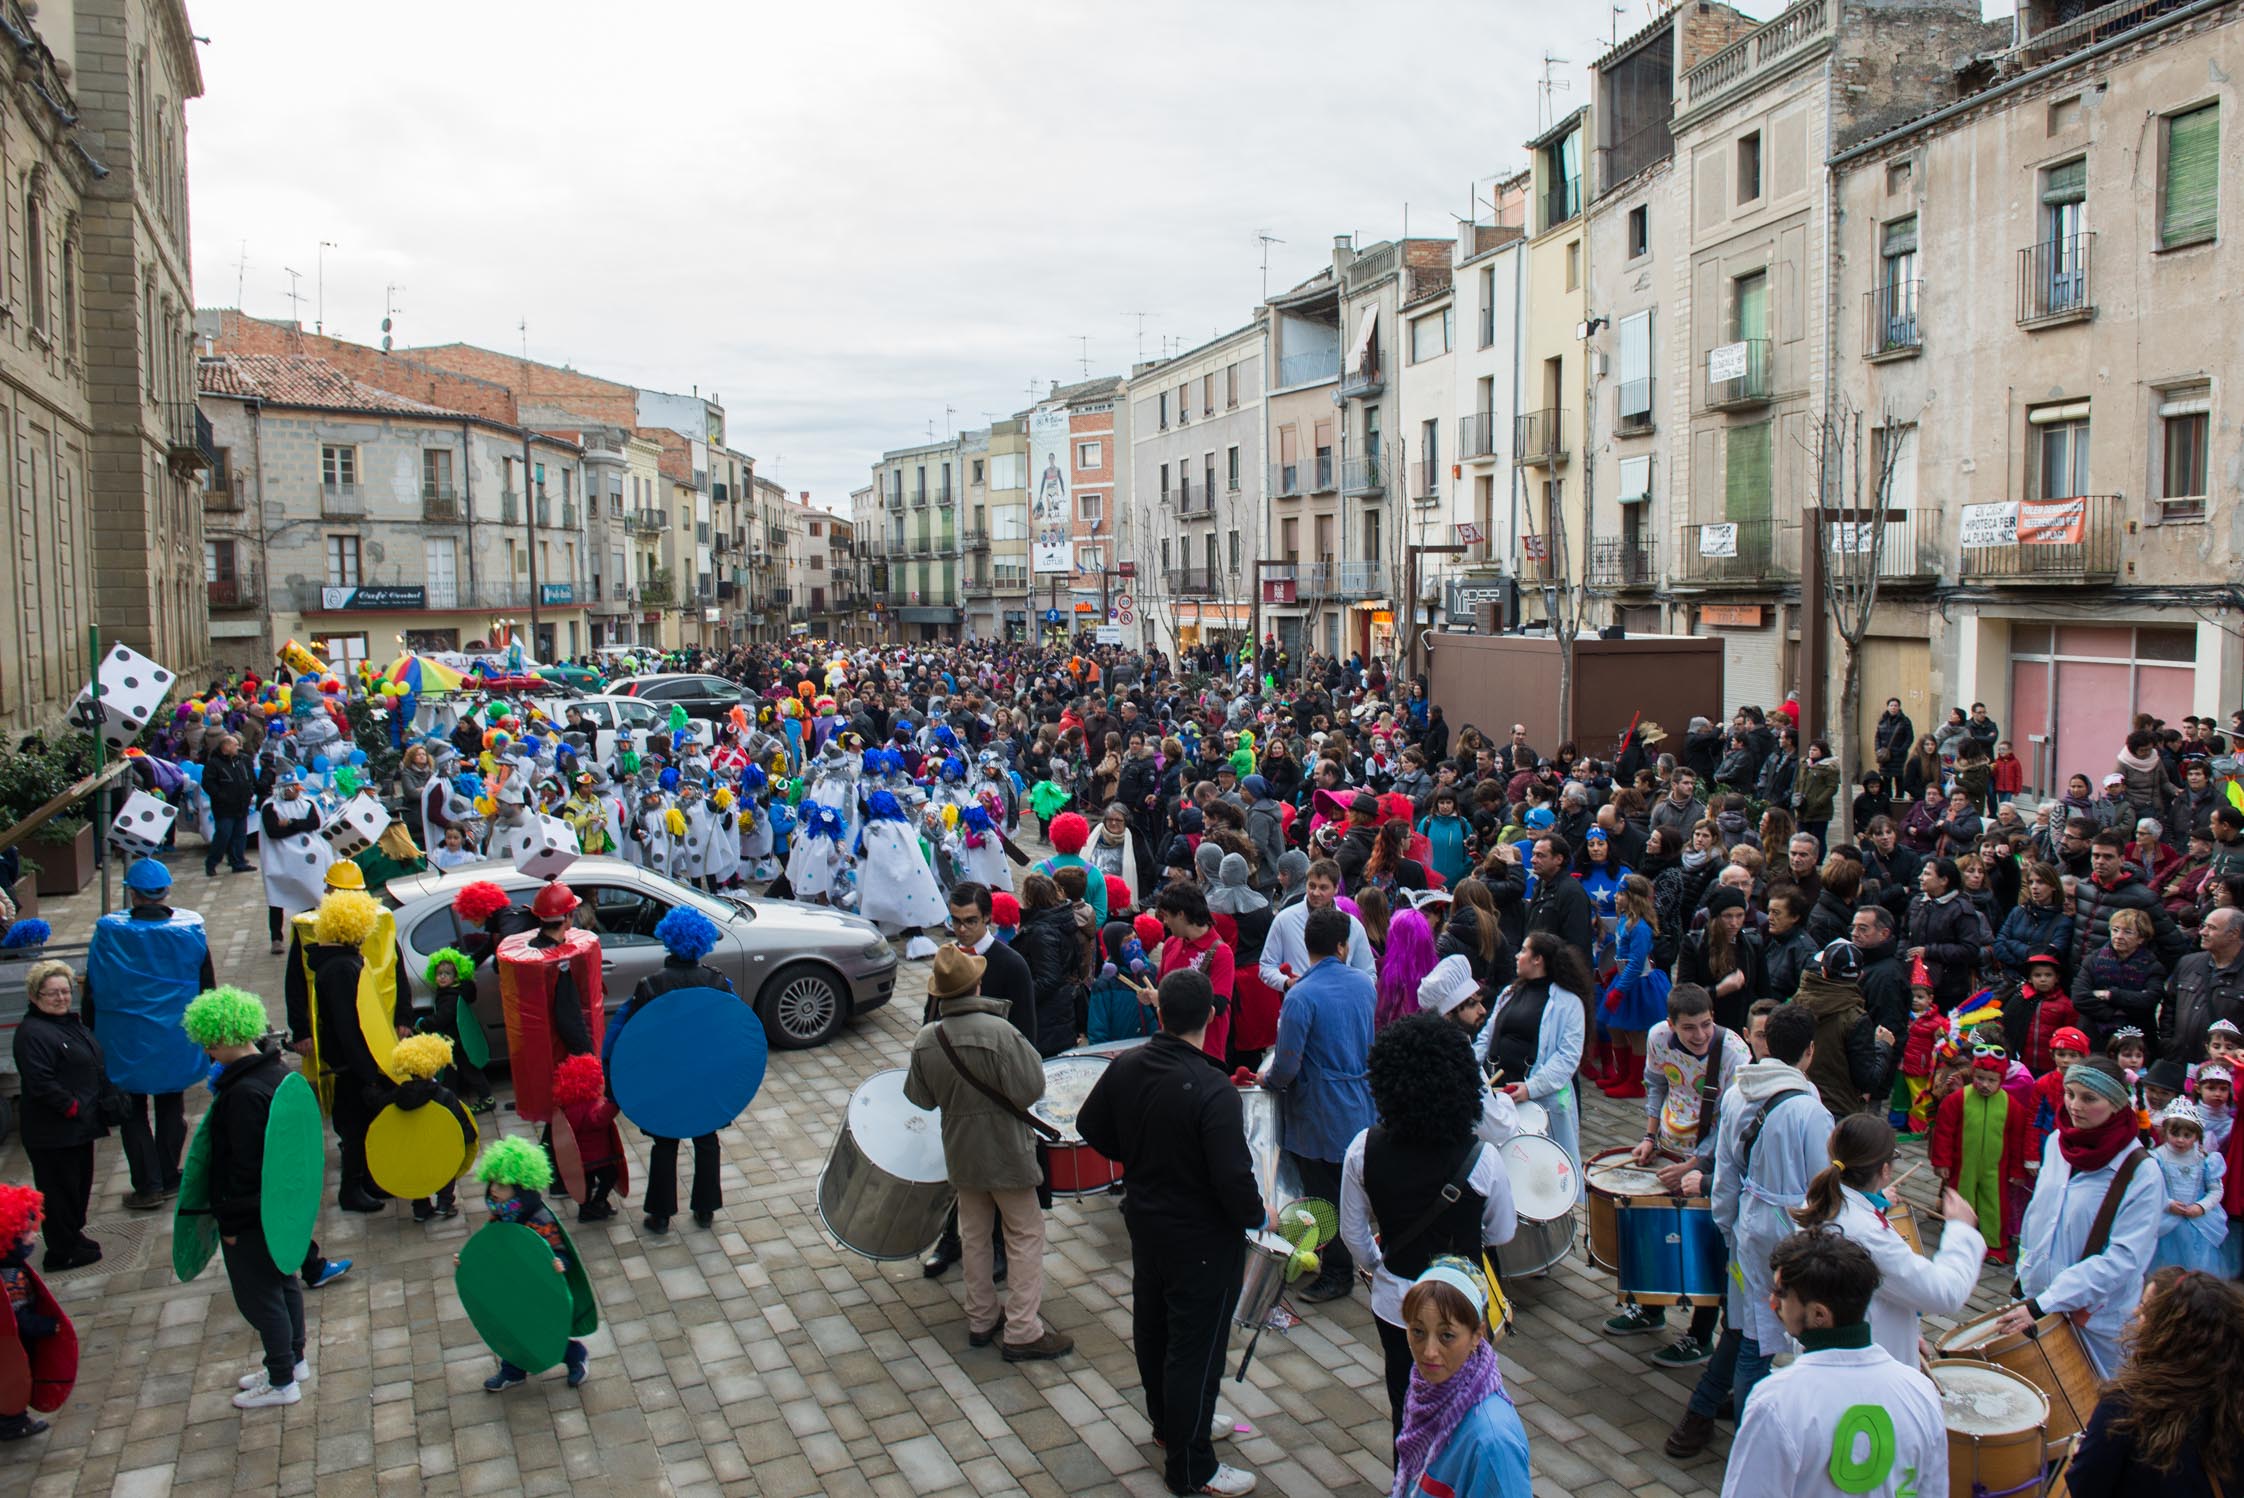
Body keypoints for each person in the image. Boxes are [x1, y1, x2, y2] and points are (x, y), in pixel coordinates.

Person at [1076, 969, 1264, 1498]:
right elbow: (1233, 1179)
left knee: (1155, 1328)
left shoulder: (1129, 1065)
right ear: (1210, 1016)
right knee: (1195, 1351)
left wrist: (1139, 1158)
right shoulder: (1213, 1088)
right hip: (1203, 1241)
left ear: (1160, 1014)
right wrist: (1259, 1214)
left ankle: (1171, 1426)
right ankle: (1191, 1467)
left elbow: (1091, 1128)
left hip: (1148, 1223)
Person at [1339, 1015, 1518, 1436]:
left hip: (1396, 1304)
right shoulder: (1482, 1158)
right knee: (1465, 1409)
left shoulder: (1362, 1149)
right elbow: (1502, 1231)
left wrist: (1377, 1265)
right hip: (1462, 1308)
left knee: (1406, 1407)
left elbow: (1353, 1233)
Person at [904, 944, 1071, 1361]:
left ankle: (980, 1318)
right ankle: (1023, 1329)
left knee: (974, 1236)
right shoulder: (1001, 1031)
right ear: (977, 985)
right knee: (1025, 1235)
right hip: (1008, 1151)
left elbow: (920, 1099)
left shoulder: (928, 1038)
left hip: (961, 1150)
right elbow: (1032, 1087)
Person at [1720, 1230, 1947, 1498]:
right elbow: (1933, 1491)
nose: (1773, 1303)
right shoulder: (1920, 1390)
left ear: (1819, 1314)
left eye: (1781, 1294)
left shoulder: (1776, 1401)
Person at [1606, 983, 1750, 1364]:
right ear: (1671, 1025)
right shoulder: (1657, 1038)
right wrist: (1649, 1136)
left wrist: (1695, 1165)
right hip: (1669, 1147)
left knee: (1706, 1242)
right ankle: (1652, 1308)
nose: (1699, 1035)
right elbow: (1655, 1083)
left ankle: (1701, 1335)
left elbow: (1733, 1124)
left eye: (1705, 1025)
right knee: (1658, 1229)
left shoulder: (1734, 1052)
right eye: (1689, 1028)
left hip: (1714, 1160)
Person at [183, 986, 309, 1410]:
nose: (208, 1054)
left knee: (261, 1296)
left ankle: (280, 1381)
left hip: (251, 1215)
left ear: (219, 1040)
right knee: (285, 1282)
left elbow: (242, 1168)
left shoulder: (241, 1094)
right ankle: (293, 1359)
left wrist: (232, 1225)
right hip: (280, 1210)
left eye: (207, 1045)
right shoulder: (276, 1074)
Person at [1707, 1006, 1834, 1420]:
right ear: (1809, 1051)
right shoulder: (1810, 1109)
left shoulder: (1738, 1091)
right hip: (1792, 1230)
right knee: (1804, 1332)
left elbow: (1725, 1172)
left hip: (1748, 1222)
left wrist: (1728, 1227)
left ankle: (1749, 1430)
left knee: (1752, 1336)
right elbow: (1822, 1187)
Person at [2007, 1054, 2165, 1377]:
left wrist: (2050, 1300)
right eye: (2070, 1094)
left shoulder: (2142, 1173)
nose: (2074, 1106)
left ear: (2117, 1104)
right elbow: (2040, 1218)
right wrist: (2027, 1279)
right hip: (2037, 1305)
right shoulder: (2056, 1144)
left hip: (2096, 1322)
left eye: (2089, 1098)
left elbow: (2123, 1259)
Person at [1790, 1114, 1986, 1364]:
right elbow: (1945, 1293)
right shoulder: (1867, 1233)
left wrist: (1905, 1331)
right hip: (1861, 1367)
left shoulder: (1819, 1203)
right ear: (1884, 1170)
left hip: (1835, 1352)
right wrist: (1961, 1231)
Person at [84, 856, 213, 1210]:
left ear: (133, 895)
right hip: (175, 1036)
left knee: (132, 1112)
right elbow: (207, 986)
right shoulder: (190, 929)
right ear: (166, 891)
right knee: (172, 1105)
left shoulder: (110, 932)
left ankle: (148, 1185)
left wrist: (90, 1035)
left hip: (125, 1038)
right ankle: (169, 1175)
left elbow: (93, 988)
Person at [1263, 905, 1376, 1305]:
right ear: (1343, 947)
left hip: (1319, 1110)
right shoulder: (1364, 985)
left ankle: (1337, 1272)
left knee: (1326, 1196)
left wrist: (1267, 1081)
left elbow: (1287, 1065)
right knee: (1351, 1191)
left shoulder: (1301, 994)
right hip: (1360, 1103)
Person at [604, 906, 732, 1235]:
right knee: (706, 1140)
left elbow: (626, 1035)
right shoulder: (716, 981)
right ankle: (705, 1209)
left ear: (667, 940)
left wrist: (612, 1074)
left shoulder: (651, 985)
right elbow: (734, 1027)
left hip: (666, 1079)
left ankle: (660, 1215)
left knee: (665, 1142)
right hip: (704, 1078)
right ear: (702, 944)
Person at [2064, 1266, 2244, 1497]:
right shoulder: (2235, 1404)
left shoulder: (2124, 1406)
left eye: (2147, 1309)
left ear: (2168, 1331)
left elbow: (2085, 1488)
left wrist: (2080, 1455)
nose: (2136, 1313)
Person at [1388, 1258, 1533, 1498]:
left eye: (1446, 1335)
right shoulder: (1427, 1391)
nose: (1429, 1352)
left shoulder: (1492, 1443)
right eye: (1418, 1332)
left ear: (1477, 1335)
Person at [463, 1138, 593, 1391]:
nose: (494, 1189)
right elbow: (492, 1246)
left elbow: (559, 1252)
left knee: (541, 1331)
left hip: (537, 1287)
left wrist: (559, 1264)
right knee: (513, 1327)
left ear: (521, 1188)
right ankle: (512, 1371)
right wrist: (468, 1261)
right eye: (493, 1182)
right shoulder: (501, 1214)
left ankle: (575, 1355)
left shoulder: (539, 1220)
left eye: (502, 1184)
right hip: (511, 1284)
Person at [12, 961, 109, 1269]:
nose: (60, 998)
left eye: (65, 992)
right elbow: (40, 1082)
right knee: (59, 1192)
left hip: (77, 1128)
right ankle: (61, 1251)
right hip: (53, 1132)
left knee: (78, 1188)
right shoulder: (32, 1033)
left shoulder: (68, 1023)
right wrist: (74, 1107)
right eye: (51, 993)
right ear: (34, 996)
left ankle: (72, 1235)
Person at [1473, 931, 1592, 1174]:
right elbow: (1486, 1036)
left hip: (1537, 1101)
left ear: (1538, 959)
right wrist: (1469, 1067)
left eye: (1524, 950)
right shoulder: (1509, 993)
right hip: (1498, 1093)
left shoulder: (1569, 1003)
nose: (1517, 956)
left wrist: (1531, 1088)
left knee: (1536, 1170)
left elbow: (1568, 1058)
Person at [1257, 859, 1375, 990]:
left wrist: (1348, 990)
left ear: (1336, 888)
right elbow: (1267, 966)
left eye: (1323, 887)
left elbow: (1368, 974)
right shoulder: (1284, 919)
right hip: (1300, 1003)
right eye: (1312, 886)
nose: (1316, 893)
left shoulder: (1353, 926)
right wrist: (1287, 982)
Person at [2146, 1099, 2228, 1272]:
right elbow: (2150, 1189)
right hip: (2166, 1222)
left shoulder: (2205, 1160)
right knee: (2166, 1269)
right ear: (2165, 1132)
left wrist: (2201, 1207)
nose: (2180, 1140)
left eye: (2187, 1135)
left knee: (2198, 1267)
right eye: (2175, 1134)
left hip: (2198, 1223)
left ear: (2197, 1136)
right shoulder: (2156, 1158)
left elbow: (2216, 1189)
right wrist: (2167, 1203)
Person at [259, 767, 333, 953]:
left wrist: (291, 823)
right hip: (280, 859)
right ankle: (276, 937)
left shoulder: (308, 803)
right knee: (277, 898)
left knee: (309, 893)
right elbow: (274, 831)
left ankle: (308, 932)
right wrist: (300, 826)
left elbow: (314, 823)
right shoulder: (270, 807)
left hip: (307, 860)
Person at [202, 732, 257, 875]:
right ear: (226, 747)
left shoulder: (241, 760)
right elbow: (208, 783)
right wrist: (221, 796)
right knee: (223, 835)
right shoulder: (214, 763)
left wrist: (249, 792)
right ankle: (212, 862)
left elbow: (249, 778)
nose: (238, 747)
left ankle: (238, 862)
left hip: (241, 805)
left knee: (240, 835)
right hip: (224, 807)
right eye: (235, 745)